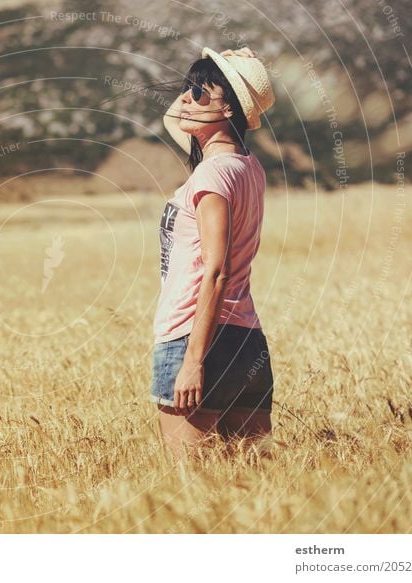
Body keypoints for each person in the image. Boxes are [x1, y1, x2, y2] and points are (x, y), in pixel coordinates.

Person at [149, 46, 277, 461]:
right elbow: (176, 116)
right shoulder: (248, 167)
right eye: (186, 90)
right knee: (254, 488)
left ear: (229, 109)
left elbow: (216, 271)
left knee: (193, 494)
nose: (186, 99)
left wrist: (192, 361)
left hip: (196, 336)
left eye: (199, 94)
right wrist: (220, 70)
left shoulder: (212, 174)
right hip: (247, 343)